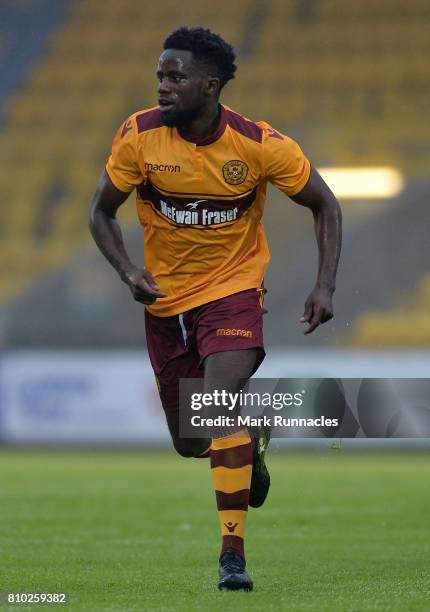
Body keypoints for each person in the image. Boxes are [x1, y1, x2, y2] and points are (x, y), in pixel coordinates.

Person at [89, 26, 342, 592]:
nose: (162, 86)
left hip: (233, 290)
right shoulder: (139, 136)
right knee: (191, 439)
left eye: (175, 76)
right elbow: (100, 212)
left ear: (210, 85)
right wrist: (129, 270)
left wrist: (324, 285)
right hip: (165, 302)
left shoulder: (259, 144)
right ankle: (250, 436)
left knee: (212, 404)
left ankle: (232, 555)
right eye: (160, 75)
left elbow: (324, 204)